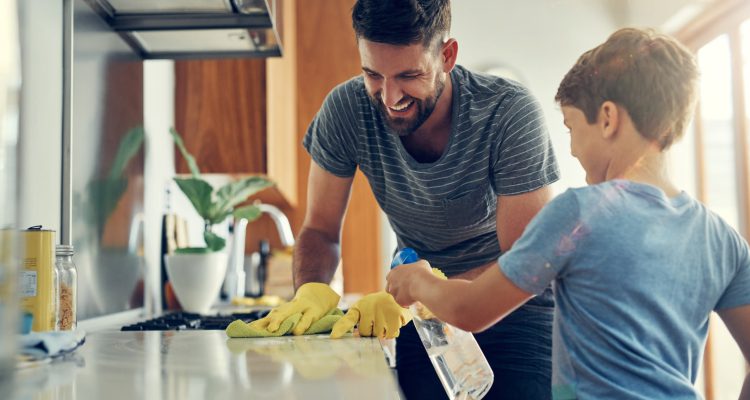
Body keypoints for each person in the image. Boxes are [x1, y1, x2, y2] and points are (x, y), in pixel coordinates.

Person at [386, 27, 750, 399]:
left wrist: (418, 280)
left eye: (572, 127)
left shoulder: (579, 215)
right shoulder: (723, 239)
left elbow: (472, 310)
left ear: (608, 118)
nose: (573, 150)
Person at [250, 0, 560, 398]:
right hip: (422, 319)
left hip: (514, 316)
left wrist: (423, 290)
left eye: (409, 75)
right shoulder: (346, 111)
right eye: (373, 74)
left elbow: (523, 266)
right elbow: (320, 230)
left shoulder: (508, 113)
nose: (390, 96)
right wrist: (310, 290)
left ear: (447, 56)